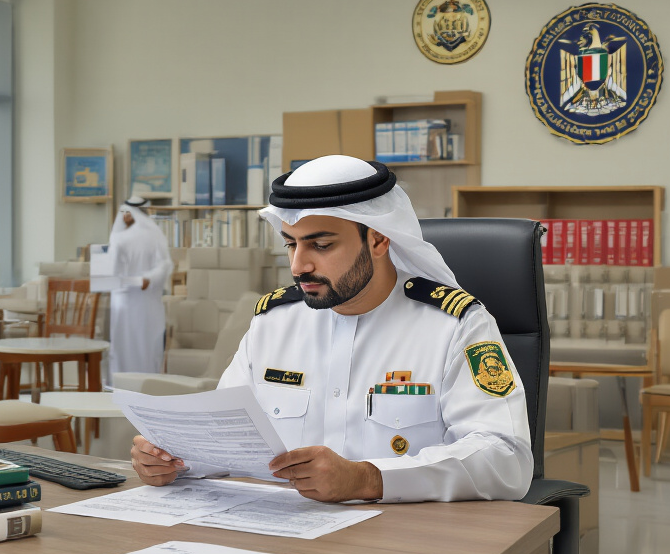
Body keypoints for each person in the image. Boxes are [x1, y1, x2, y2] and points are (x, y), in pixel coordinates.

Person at [130, 155, 533, 504]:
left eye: (320, 246)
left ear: (378, 239)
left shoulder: (455, 326)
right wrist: (175, 461)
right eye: (291, 244)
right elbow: (227, 439)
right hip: (278, 535)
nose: (298, 266)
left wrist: (369, 479)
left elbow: (506, 458)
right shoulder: (273, 323)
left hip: (399, 542)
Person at [107, 196, 173, 376]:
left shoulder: (154, 236)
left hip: (146, 304)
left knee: (146, 346)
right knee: (123, 347)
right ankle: (121, 388)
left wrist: (148, 279)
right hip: (123, 303)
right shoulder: (118, 238)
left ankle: (147, 388)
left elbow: (164, 265)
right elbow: (111, 274)